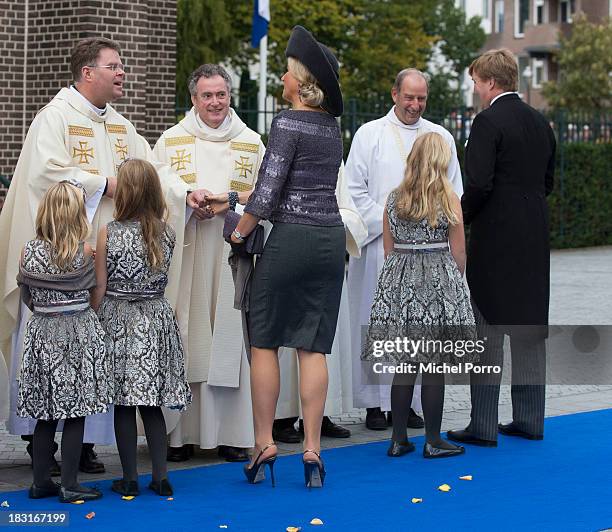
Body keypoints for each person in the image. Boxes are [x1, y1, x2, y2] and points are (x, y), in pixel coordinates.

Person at [0, 37, 206, 473]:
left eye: (122, 65)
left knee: (93, 351)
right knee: (53, 350)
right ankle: (41, 443)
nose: (122, 72)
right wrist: (106, 185)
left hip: (111, 266)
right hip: (62, 266)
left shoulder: (120, 125)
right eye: (113, 66)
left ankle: (85, 445)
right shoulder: (53, 119)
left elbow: (152, 170)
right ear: (87, 72)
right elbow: (46, 175)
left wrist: (187, 193)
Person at [231, 25, 345, 488]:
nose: (280, 78)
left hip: (291, 240)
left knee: (264, 340)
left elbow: (268, 194)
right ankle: (313, 449)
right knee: (313, 345)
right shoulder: (332, 127)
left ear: (299, 80)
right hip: (329, 239)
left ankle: (265, 443)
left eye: (285, 72)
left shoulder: (287, 121)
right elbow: (305, 186)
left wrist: (239, 233)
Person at [153, 64, 265, 463]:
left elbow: (266, 197)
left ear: (229, 96)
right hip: (189, 252)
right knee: (187, 334)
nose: (215, 102)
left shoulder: (252, 143)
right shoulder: (171, 141)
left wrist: (228, 205)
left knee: (231, 339)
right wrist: (186, 196)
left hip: (232, 255)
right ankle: (180, 435)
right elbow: (155, 187)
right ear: (193, 98)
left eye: (221, 94)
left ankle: (233, 433)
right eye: (207, 95)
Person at [447, 49, 555, 447]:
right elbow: (547, 181)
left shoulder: (488, 121)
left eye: (476, 82)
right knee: (528, 327)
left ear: (490, 82)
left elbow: (478, 184)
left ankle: (483, 423)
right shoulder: (541, 122)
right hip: (534, 236)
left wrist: (457, 222)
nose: (475, 89)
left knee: (487, 325)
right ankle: (530, 418)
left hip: (495, 237)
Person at [346, 68, 463, 430]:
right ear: (394, 93)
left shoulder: (439, 135)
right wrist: (385, 228)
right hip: (380, 248)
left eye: (421, 98)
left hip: (429, 251)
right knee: (379, 322)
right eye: (409, 97)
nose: (414, 105)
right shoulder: (370, 135)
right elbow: (353, 188)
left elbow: (454, 191)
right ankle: (372, 406)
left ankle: (408, 408)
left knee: (420, 331)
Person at [362, 133, 475, 458]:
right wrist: (453, 287)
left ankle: (398, 439)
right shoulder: (449, 198)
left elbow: (387, 246)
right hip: (437, 278)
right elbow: (459, 249)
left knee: (405, 363)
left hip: (401, 280)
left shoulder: (394, 198)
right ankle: (433, 440)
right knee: (434, 365)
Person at [92, 159, 192, 497]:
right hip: (155, 319)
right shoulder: (167, 232)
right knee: (151, 403)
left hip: (118, 320)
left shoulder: (109, 231)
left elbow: (101, 286)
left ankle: (130, 477)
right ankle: (161, 477)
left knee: (123, 404)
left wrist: (92, 319)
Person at [17, 181, 111, 503]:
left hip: (42, 331)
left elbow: (27, 293)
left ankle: (41, 481)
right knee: (75, 411)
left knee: (45, 412)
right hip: (78, 332)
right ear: (76, 215)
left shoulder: (28, 250)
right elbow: (95, 291)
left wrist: (46, 311)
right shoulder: (85, 251)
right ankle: (70, 483)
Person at [273, 164, 367, 443]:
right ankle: (285, 417)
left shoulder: (333, 160)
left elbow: (349, 208)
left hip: (325, 253)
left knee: (321, 340)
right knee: (291, 340)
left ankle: (320, 415)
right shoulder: (283, 150)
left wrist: (331, 219)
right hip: (291, 253)